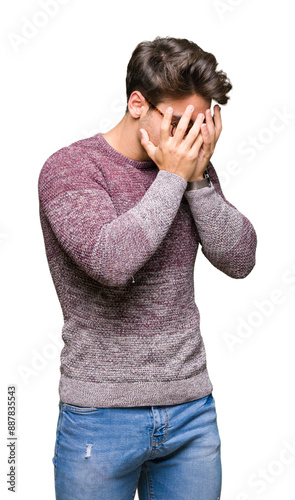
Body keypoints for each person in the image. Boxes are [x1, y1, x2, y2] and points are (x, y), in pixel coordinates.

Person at [38, 36, 257, 500]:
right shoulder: (70, 168)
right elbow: (111, 262)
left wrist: (195, 179)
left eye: (200, 125)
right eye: (177, 123)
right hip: (101, 415)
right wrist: (174, 176)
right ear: (138, 104)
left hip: (191, 413)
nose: (191, 139)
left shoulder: (192, 171)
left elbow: (240, 260)